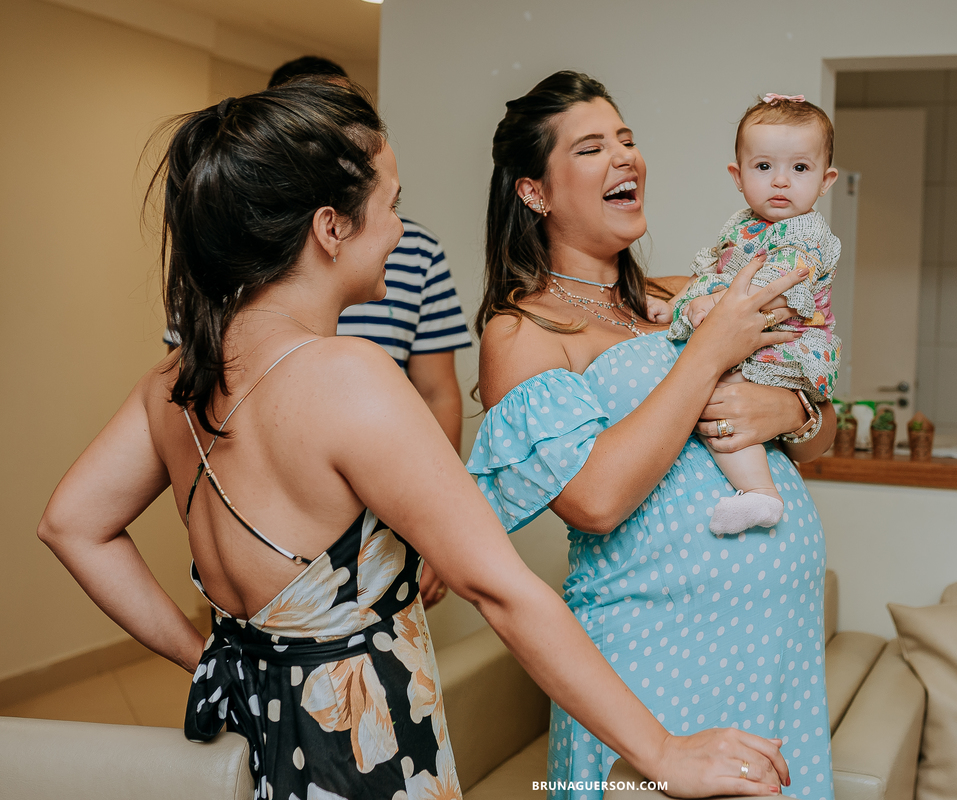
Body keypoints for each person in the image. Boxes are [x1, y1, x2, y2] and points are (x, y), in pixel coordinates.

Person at [38, 80, 791, 800]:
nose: (403, 229)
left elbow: (72, 525)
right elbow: (499, 587)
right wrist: (663, 753)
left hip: (252, 737)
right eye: (393, 205)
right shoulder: (349, 377)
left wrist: (201, 657)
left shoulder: (176, 378)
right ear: (330, 228)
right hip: (363, 757)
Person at [467, 72, 837, 800]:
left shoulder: (686, 293)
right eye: (593, 147)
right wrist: (707, 352)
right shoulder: (525, 331)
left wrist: (791, 415)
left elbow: (824, 430)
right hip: (653, 654)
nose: (626, 158)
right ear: (534, 191)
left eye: (628, 141)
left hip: (774, 649)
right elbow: (595, 501)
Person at [168, 55, 474, 607]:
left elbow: (437, 390)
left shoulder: (411, 252)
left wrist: (435, 523)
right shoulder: (347, 361)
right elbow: (191, 399)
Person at [653, 94, 841, 535]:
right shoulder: (743, 225)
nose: (780, 181)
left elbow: (771, 293)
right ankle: (757, 491)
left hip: (786, 345)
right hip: (754, 338)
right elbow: (710, 274)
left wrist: (711, 307)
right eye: (763, 167)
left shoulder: (805, 234)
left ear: (825, 180)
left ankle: (760, 493)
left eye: (800, 168)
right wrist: (679, 304)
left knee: (725, 394)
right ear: (737, 176)